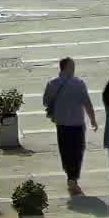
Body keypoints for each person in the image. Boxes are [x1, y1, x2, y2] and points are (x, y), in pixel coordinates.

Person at [43, 57, 98, 195]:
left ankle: (70, 176)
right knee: (77, 151)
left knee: (65, 151)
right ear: (67, 68)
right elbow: (87, 103)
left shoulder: (52, 84)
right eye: (72, 66)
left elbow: (45, 102)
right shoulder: (79, 84)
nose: (74, 69)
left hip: (61, 124)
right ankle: (73, 178)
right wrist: (92, 120)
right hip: (77, 124)